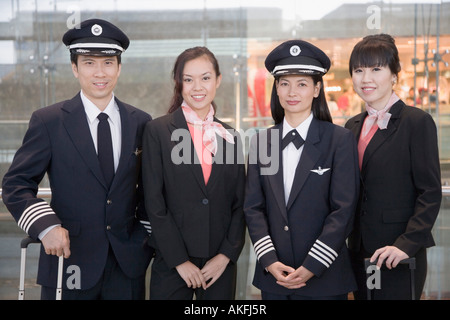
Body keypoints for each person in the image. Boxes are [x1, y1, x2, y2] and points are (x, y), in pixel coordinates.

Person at [1, 19, 153, 300]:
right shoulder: (49, 121)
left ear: (119, 67)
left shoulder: (141, 122)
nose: (100, 72)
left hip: (127, 266)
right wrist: (46, 227)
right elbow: (15, 184)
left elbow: (151, 190)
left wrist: (145, 238)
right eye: (89, 63)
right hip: (68, 260)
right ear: (75, 68)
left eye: (108, 63)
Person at [244, 39, 360, 300]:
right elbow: (253, 208)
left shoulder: (339, 140)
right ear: (276, 88)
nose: (292, 92)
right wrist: (269, 261)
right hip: (274, 279)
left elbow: (343, 210)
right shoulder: (262, 141)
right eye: (284, 83)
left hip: (324, 278)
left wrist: (312, 266)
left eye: (302, 84)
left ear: (317, 89)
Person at [142, 46, 246, 300]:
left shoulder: (230, 136)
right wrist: (180, 261)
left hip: (218, 266)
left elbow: (240, 204)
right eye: (188, 79)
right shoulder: (157, 131)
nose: (197, 87)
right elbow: (154, 203)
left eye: (205, 78)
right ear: (179, 84)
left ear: (218, 81)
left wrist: (225, 256)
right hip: (172, 263)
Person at [345, 34, 442, 300]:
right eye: (359, 70)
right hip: (358, 249)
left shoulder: (416, 122)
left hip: (396, 251)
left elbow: (430, 192)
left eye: (376, 69)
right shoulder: (352, 125)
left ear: (394, 75)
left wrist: (407, 244)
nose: (366, 78)